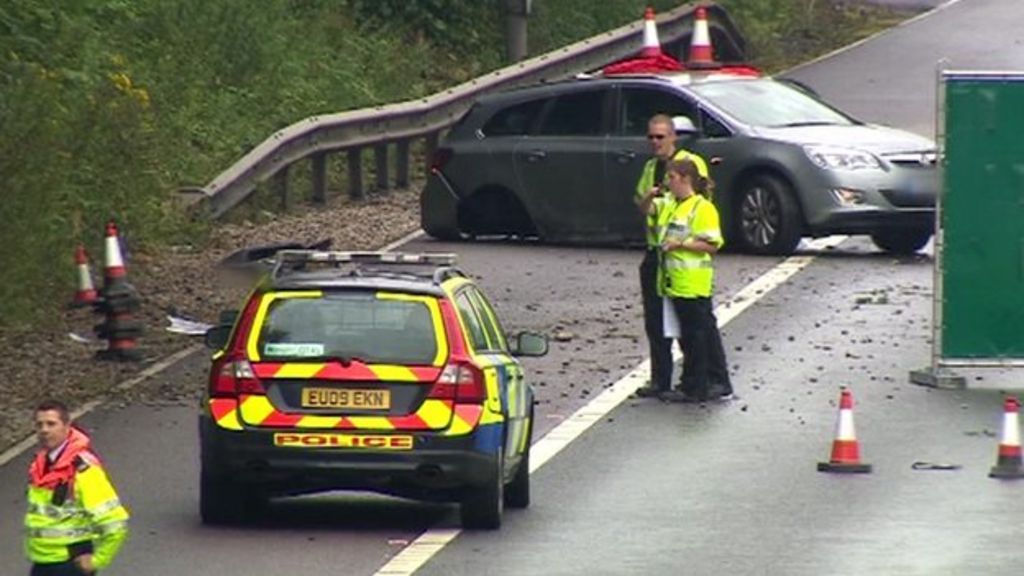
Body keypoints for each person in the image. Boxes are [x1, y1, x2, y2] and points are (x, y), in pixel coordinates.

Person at [634, 114, 709, 398]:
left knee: (691, 326)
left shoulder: (689, 162)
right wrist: (650, 197)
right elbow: (643, 204)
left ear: (673, 136)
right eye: (651, 137)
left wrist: (683, 242)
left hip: (682, 257)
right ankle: (660, 379)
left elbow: (699, 203)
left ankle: (698, 382)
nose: (655, 142)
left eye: (660, 137)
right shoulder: (650, 167)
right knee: (656, 322)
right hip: (656, 253)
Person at [653, 158, 733, 402]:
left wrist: (681, 244)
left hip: (692, 283)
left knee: (696, 337)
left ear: (686, 179)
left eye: (672, 178)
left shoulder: (702, 208)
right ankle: (707, 382)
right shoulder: (675, 205)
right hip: (676, 282)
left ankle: (698, 386)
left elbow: (712, 245)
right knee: (696, 335)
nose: (669, 183)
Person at [25, 400, 129, 575]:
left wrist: (97, 560)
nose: (44, 430)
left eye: (51, 424)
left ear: (67, 426)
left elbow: (115, 520)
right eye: (39, 424)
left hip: (70, 564)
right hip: (43, 561)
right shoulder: (41, 464)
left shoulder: (83, 469)